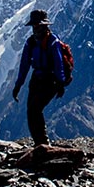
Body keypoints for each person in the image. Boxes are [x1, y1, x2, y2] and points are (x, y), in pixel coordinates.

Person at [11, 9, 67, 147]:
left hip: (50, 80)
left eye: (37, 25)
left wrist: (61, 83)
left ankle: (42, 142)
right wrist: (18, 85)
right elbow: (24, 65)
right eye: (34, 26)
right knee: (31, 110)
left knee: (35, 109)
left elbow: (58, 63)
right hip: (36, 79)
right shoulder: (30, 42)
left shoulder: (53, 42)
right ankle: (40, 142)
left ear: (45, 26)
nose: (35, 28)